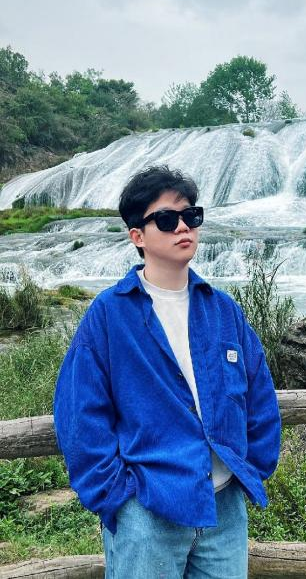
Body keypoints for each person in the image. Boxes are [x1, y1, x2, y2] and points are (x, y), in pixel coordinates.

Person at [54, 165, 281, 579]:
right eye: (166, 219)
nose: (183, 227)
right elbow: (79, 414)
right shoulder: (109, 315)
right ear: (137, 236)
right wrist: (117, 498)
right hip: (147, 510)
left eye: (191, 215)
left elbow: (259, 394)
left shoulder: (223, 310)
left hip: (224, 509)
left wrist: (252, 466)